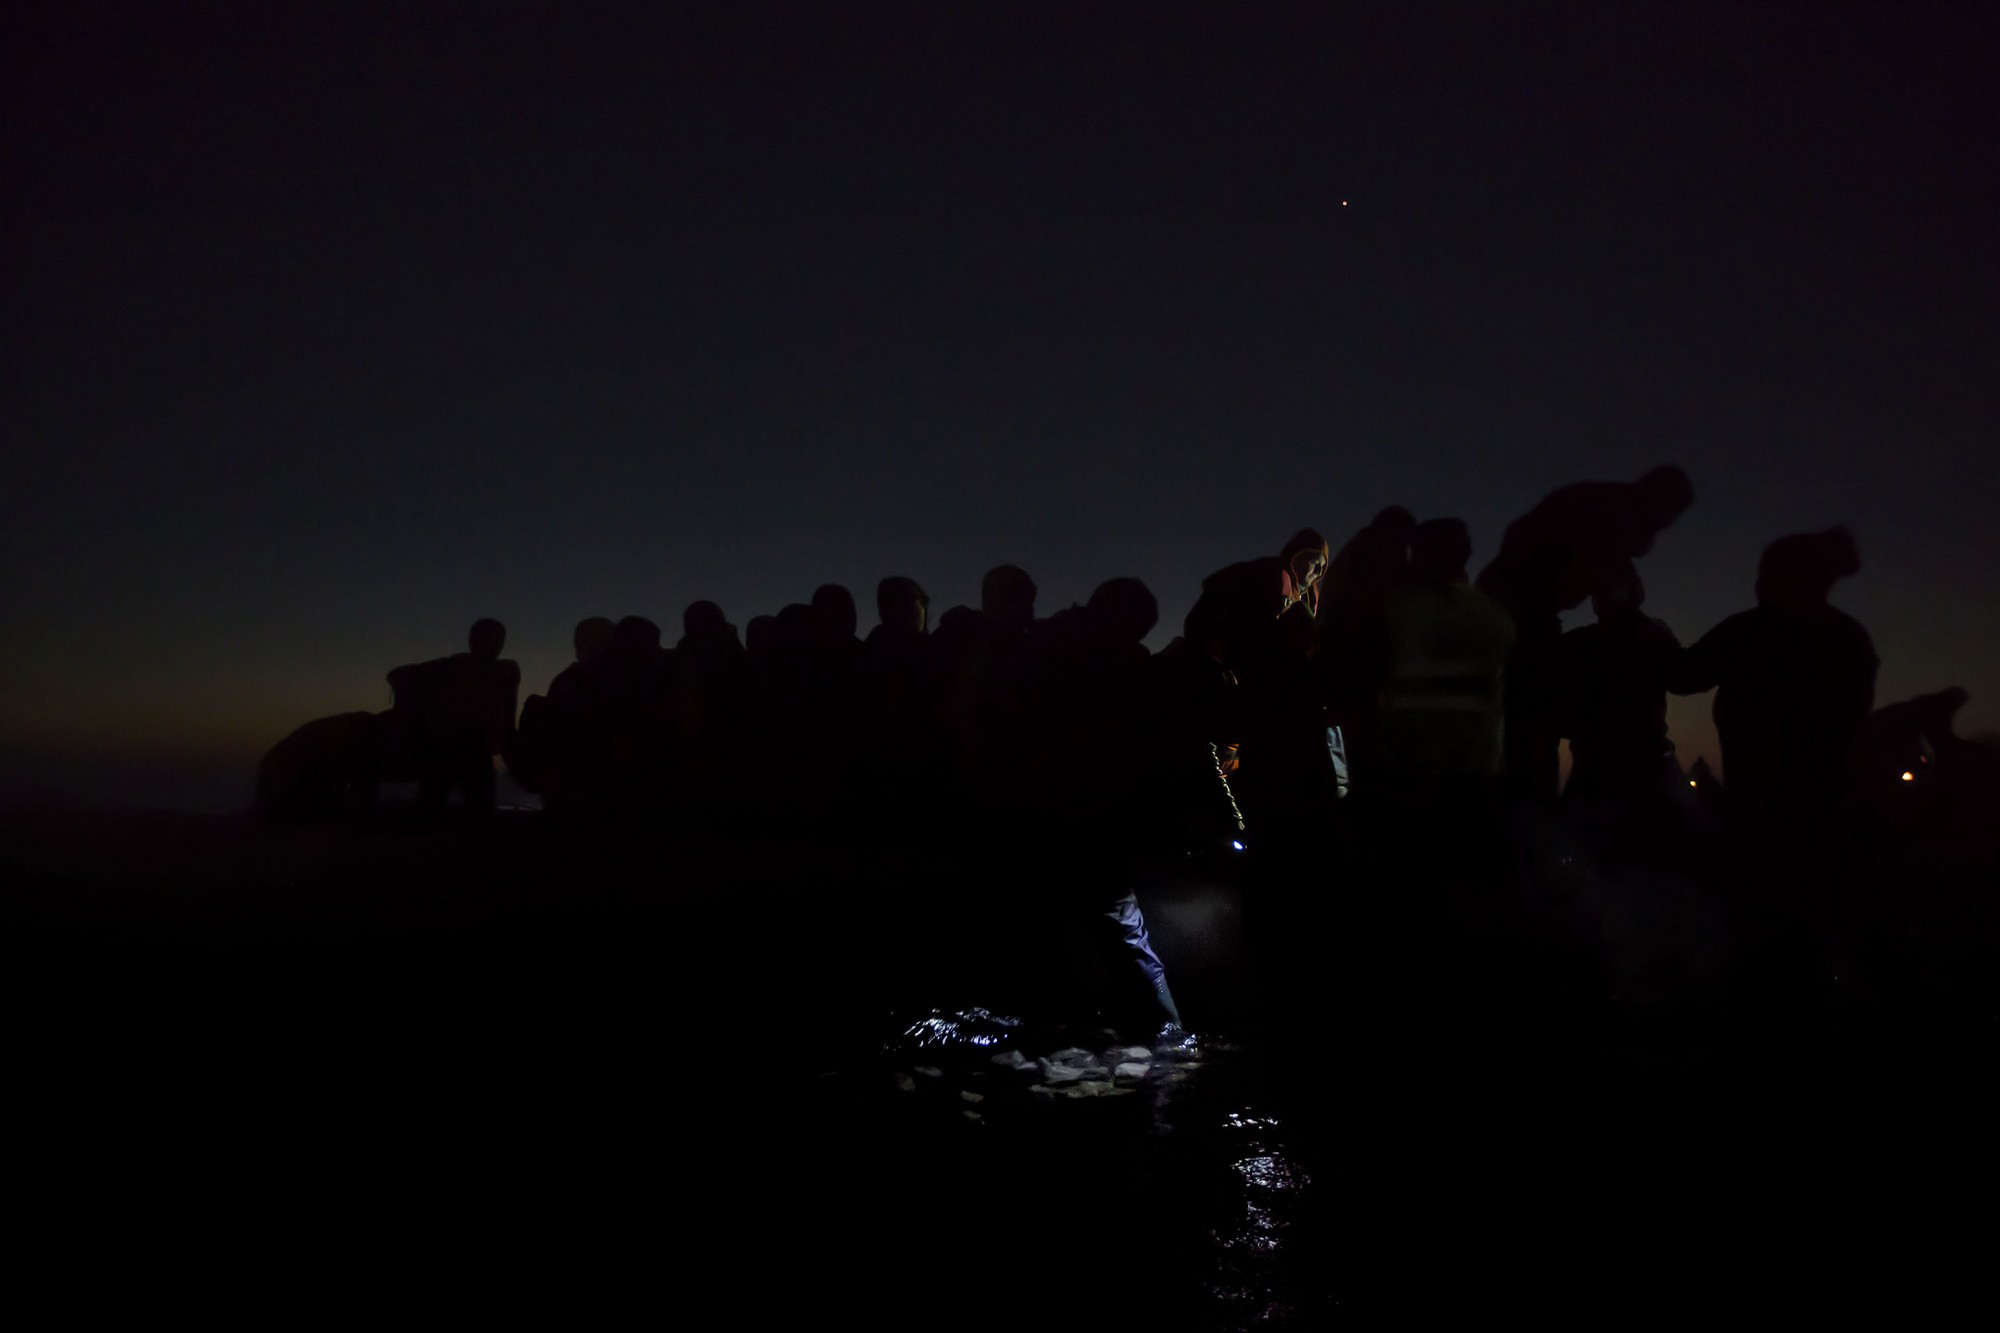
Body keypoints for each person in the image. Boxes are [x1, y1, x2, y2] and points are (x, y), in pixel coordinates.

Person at [1477, 465, 1693, 804]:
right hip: (1516, 614)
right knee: (1528, 724)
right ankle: (1525, 811)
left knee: (1528, 720)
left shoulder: (1605, 513)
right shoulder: (1608, 517)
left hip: (1523, 614)